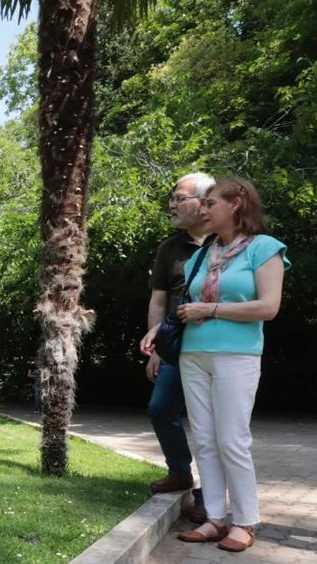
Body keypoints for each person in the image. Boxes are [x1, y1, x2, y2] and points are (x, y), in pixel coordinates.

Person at [144, 177, 287, 552]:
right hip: (193, 354)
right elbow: (180, 305)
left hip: (236, 354)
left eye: (210, 204)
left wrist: (211, 309)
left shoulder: (264, 249)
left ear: (236, 204)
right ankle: (215, 519)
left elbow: (268, 307)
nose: (203, 210)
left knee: (232, 439)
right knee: (205, 439)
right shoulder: (201, 255)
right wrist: (158, 332)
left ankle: (244, 521)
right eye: (202, 204)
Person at [139, 173, 215, 523]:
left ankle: (209, 496)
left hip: (217, 348)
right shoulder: (169, 249)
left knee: (210, 424)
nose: (171, 204)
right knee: (160, 407)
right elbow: (158, 301)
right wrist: (156, 345)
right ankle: (180, 471)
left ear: (203, 203)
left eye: (178, 197)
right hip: (177, 346)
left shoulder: (226, 241)